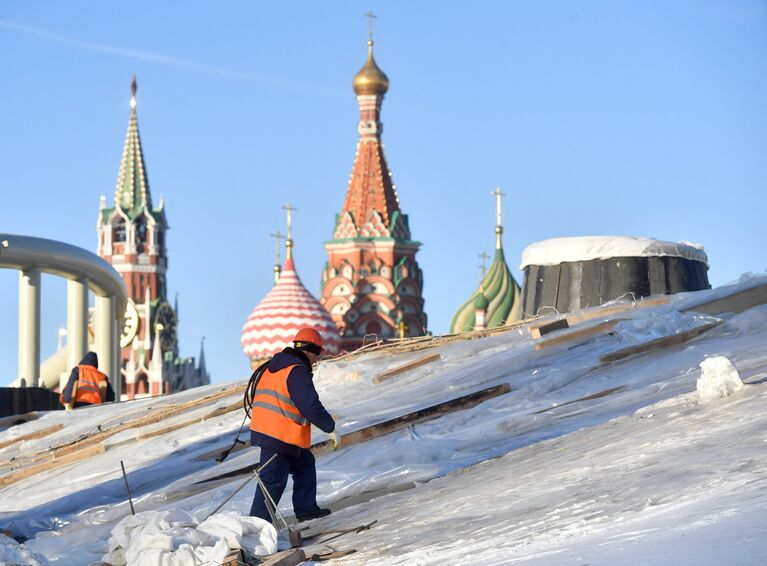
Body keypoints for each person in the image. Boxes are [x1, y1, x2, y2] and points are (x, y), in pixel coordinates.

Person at [249, 328, 341, 523]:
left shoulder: (276, 366)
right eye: (317, 354)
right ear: (309, 350)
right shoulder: (296, 370)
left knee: (305, 464)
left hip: (279, 432)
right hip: (278, 435)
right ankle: (257, 525)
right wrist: (330, 427)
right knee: (273, 480)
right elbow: (309, 404)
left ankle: (306, 509)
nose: (316, 361)